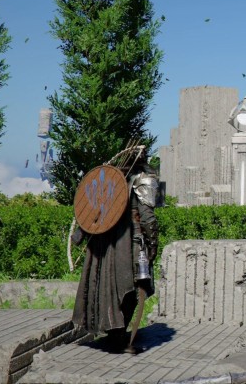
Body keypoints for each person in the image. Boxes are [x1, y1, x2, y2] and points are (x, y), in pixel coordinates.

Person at [71, 151, 159, 352]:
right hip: (129, 241)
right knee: (132, 287)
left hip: (104, 242)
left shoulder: (111, 179)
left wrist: (79, 235)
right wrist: (153, 245)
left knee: (108, 284)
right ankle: (117, 334)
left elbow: (94, 210)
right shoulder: (141, 180)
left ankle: (115, 332)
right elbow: (148, 219)